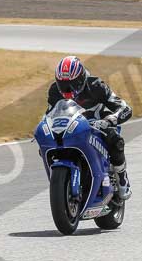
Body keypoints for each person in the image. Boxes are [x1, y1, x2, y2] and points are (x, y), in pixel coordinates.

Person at [48, 56, 132, 200]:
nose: (67, 89)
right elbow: (50, 114)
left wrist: (112, 118)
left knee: (115, 139)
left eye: (72, 84)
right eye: (62, 84)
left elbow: (123, 107)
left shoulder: (96, 85)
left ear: (81, 79)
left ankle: (122, 177)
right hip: (70, 127)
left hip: (97, 125)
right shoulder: (55, 90)